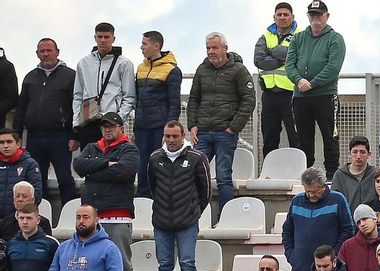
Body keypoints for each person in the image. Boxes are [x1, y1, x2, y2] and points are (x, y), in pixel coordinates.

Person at [146, 121, 208, 271]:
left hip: (187, 222)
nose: (171, 140)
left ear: (183, 135)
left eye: (174, 136)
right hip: (162, 221)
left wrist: (192, 210)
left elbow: (205, 190)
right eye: (167, 136)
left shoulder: (197, 157)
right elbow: (152, 186)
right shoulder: (155, 158)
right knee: (164, 265)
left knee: (187, 264)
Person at [184, 33, 252, 210]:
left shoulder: (239, 70)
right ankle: (194, 216)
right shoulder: (202, 69)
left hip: (225, 133)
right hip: (203, 133)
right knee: (192, 174)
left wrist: (233, 127)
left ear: (225, 48)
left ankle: (225, 218)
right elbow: (194, 99)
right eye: (208, 48)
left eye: (214, 47)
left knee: (223, 177)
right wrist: (192, 125)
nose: (210, 51)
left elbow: (248, 101)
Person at [73, 113, 138, 271]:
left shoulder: (129, 149)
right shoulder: (92, 147)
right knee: (92, 264)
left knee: (121, 264)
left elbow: (123, 171)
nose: (107, 129)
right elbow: (78, 165)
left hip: (118, 216)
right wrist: (106, 163)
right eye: (104, 127)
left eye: (111, 126)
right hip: (93, 217)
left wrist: (92, 171)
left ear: (121, 129)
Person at [283, 0, 343, 174]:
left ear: (327, 16)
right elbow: (289, 65)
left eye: (319, 14)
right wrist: (299, 81)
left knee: (330, 136)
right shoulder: (298, 38)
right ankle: (305, 172)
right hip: (301, 97)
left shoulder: (335, 38)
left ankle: (331, 173)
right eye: (312, 14)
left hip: (326, 95)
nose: (315, 17)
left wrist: (312, 83)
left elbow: (333, 67)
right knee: (303, 138)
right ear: (308, 16)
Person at [18, 39, 78, 202]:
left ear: (57, 52)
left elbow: (77, 107)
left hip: (60, 137)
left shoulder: (71, 76)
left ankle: (71, 217)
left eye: (49, 50)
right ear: (37, 54)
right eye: (42, 51)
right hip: (34, 137)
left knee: (65, 179)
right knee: (36, 181)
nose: (46, 54)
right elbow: (21, 107)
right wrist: (17, 135)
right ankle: (39, 219)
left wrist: (75, 135)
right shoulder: (30, 77)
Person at [282, 167, 353, 271]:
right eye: (307, 191)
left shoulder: (338, 200)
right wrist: (292, 256)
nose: (310, 195)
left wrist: (333, 256)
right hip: (300, 270)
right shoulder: (296, 201)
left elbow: (348, 231)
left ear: (324, 186)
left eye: (315, 191)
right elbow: (287, 231)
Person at [131, 32, 181, 198]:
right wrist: (135, 128)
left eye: (144, 44)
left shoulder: (171, 70)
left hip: (159, 128)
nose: (141, 47)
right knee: (142, 167)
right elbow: (138, 100)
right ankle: (143, 203)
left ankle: (160, 203)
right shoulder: (141, 68)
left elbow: (174, 103)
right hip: (141, 128)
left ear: (156, 46)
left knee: (159, 168)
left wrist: (167, 132)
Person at [73, 23, 135, 140]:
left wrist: (119, 119)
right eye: (99, 37)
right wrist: (76, 123)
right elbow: (78, 95)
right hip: (88, 121)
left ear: (113, 39)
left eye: (106, 37)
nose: (103, 40)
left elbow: (129, 96)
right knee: (89, 157)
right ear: (95, 38)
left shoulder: (124, 63)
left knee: (111, 157)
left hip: (112, 122)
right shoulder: (83, 63)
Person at [254, 4, 301, 155]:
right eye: (279, 14)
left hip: (292, 94)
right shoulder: (266, 35)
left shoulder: (301, 35)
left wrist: (272, 53)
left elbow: (302, 57)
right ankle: (269, 174)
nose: (282, 17)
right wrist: (285, 58)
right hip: (269, 94)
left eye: (286, 14)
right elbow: (259, 60)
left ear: (292, 17)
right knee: (269, 138)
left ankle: (299, 173)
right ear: (274, 17)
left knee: (297, 137)